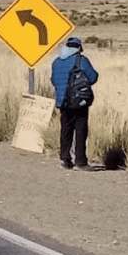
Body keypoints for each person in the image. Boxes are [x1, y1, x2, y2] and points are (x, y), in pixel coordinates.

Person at [50, 36, 99, 170]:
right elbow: (93, 77)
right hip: (78, 100)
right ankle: (80, 161)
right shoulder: (81, 60)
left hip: (62, 101)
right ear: (78, 47)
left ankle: (65, 159)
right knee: (81, 130)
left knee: (66, 130)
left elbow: (53, 80)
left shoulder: (56, 61)